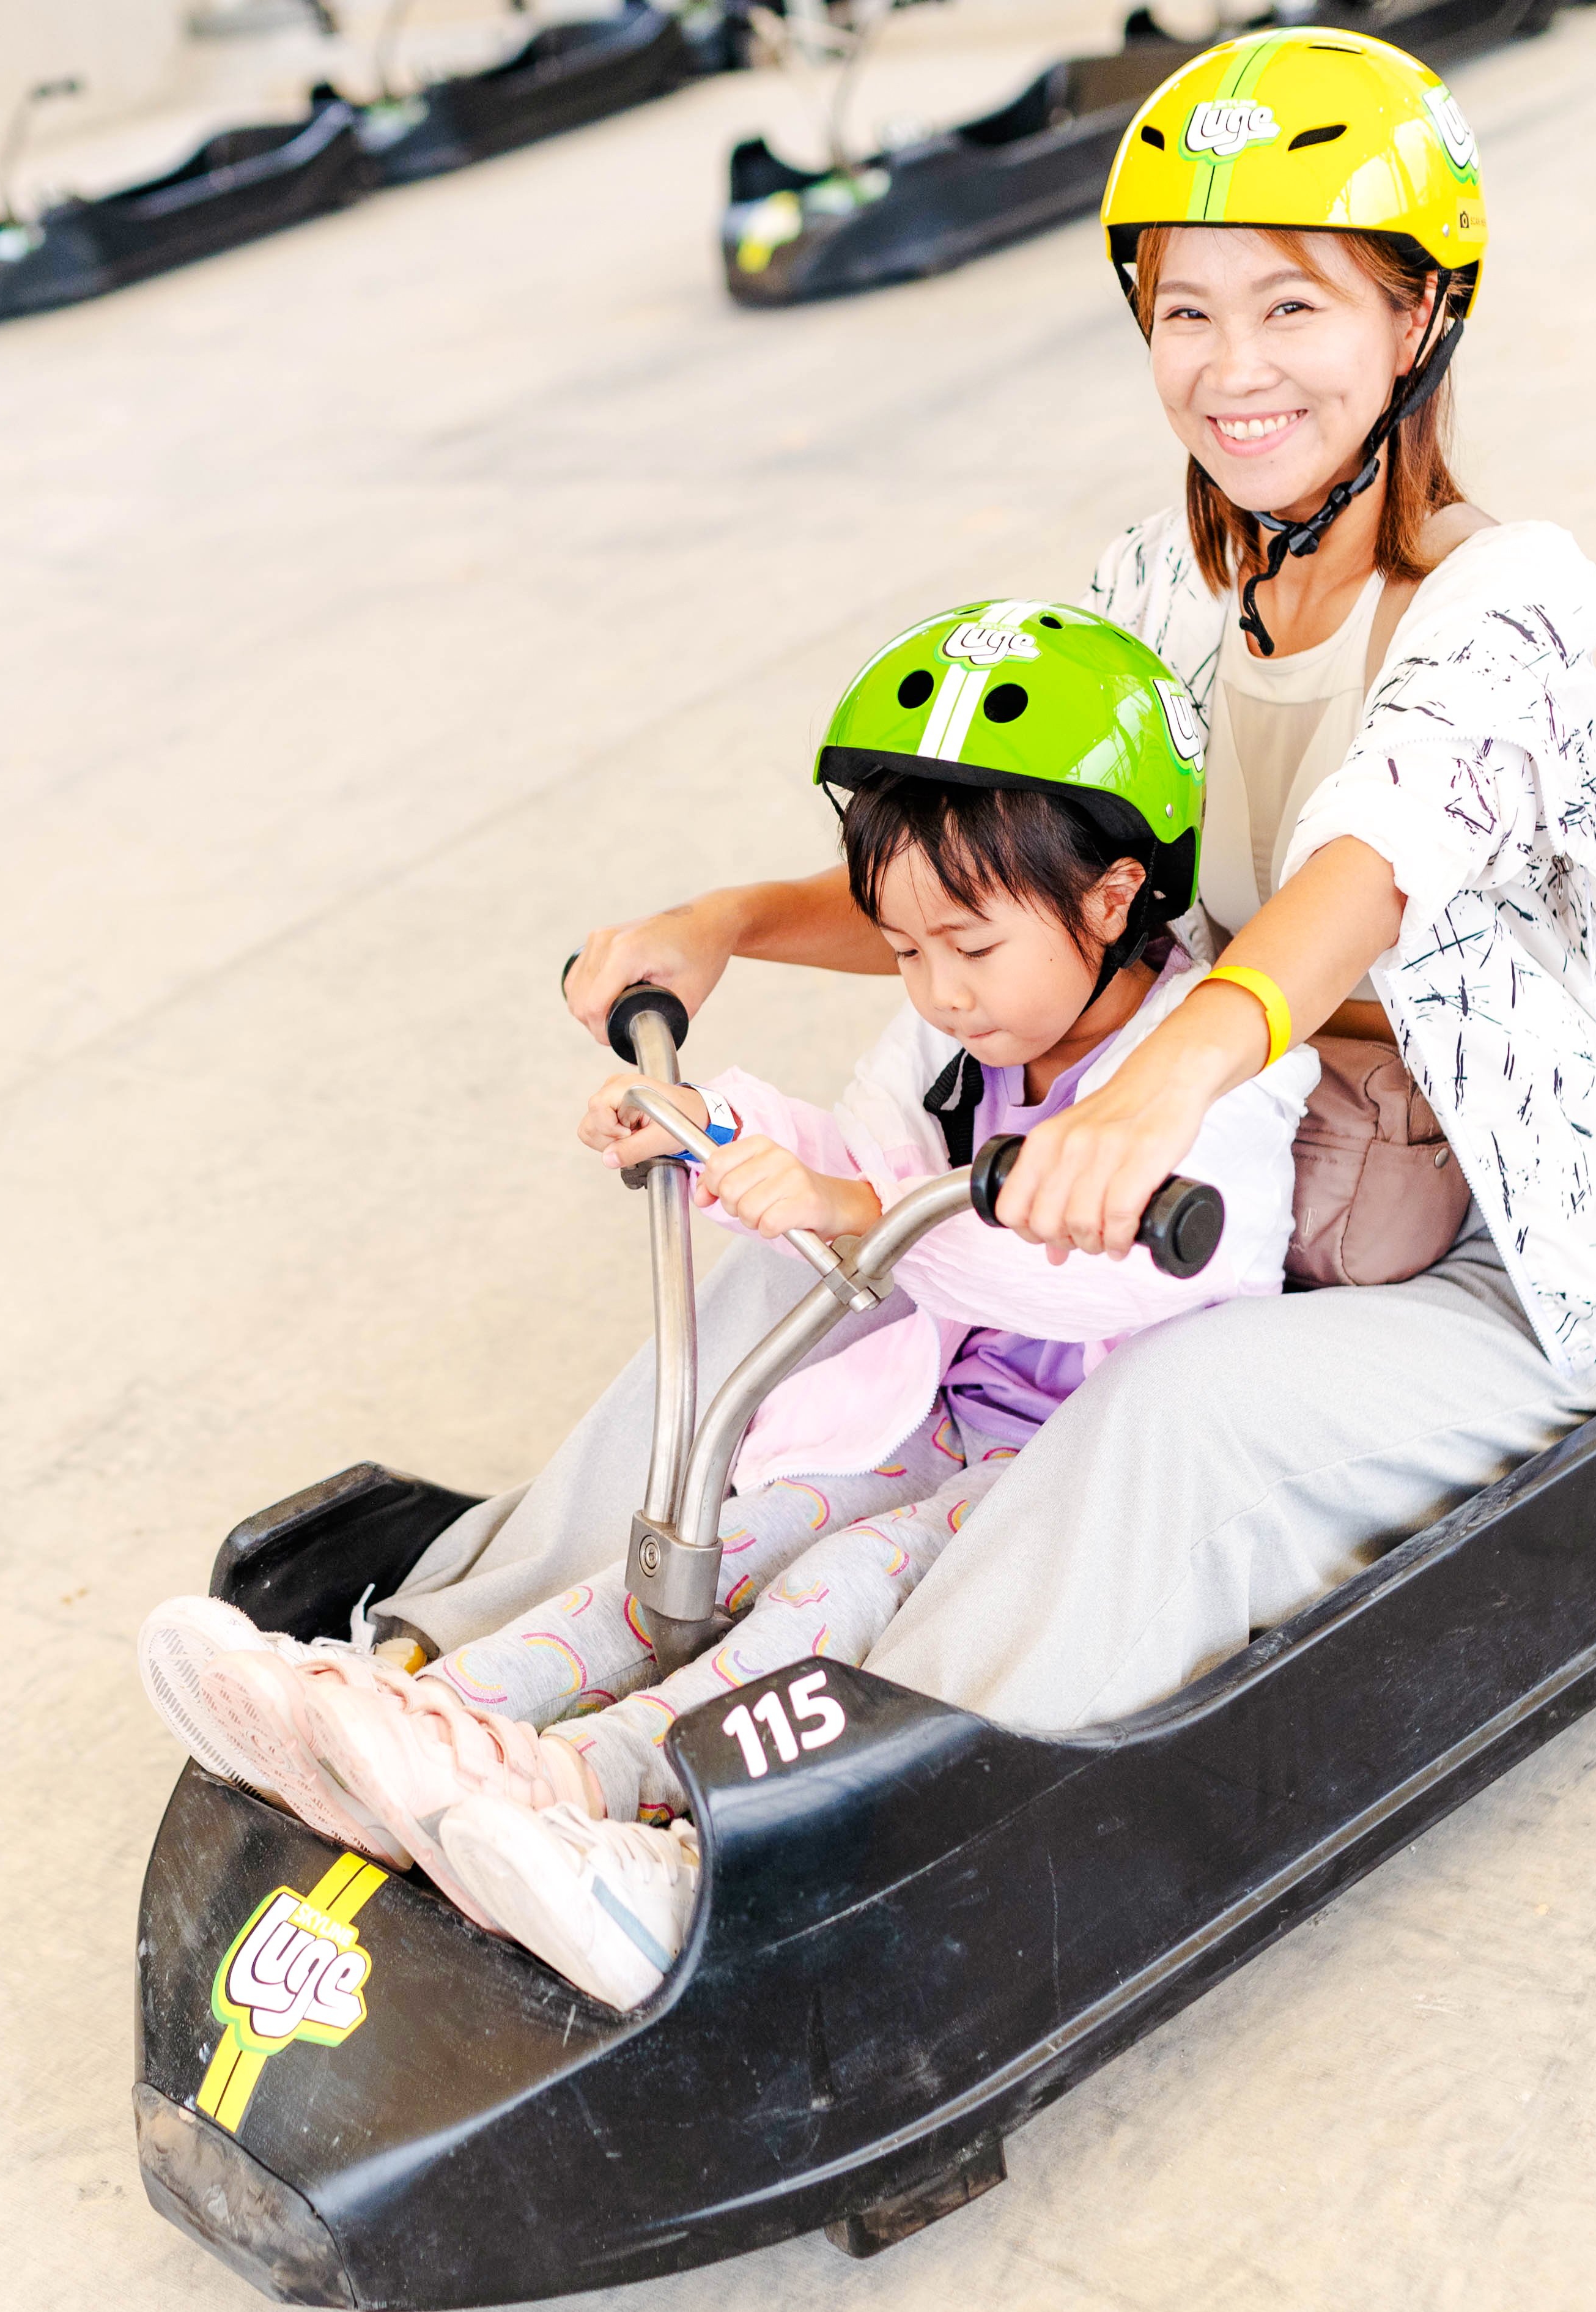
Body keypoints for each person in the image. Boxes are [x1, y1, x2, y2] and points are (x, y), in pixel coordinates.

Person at [377, 29, 1596, 1735]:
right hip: (1186, 1180)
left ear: (1417, 317)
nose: (1234, 369)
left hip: (1456, 1251)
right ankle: (435, 1667)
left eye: (1295, 305)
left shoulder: (1500, 607)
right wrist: (724, 926)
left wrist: (1163, 1084)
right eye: (1188, 310)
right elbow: (1021, 890)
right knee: (795, 1256)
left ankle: (780, 1802)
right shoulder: (1157, 588)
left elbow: (1366, 872)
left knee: (1175, 1411)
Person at [141, 602, 1312, 2004]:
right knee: (727, 1530)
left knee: (832, 1587)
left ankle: (603, 1790)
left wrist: (849, 1211)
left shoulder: (1208, 1061)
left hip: (1068, 1476)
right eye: (902, 946)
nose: (935, 988)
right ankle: (419, 1722)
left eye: (971, 948)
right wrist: (715, 1137)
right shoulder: (965, 1028)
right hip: (938, 1426)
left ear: (1116, 898)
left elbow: (1070, 1260)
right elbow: (864, 1159)